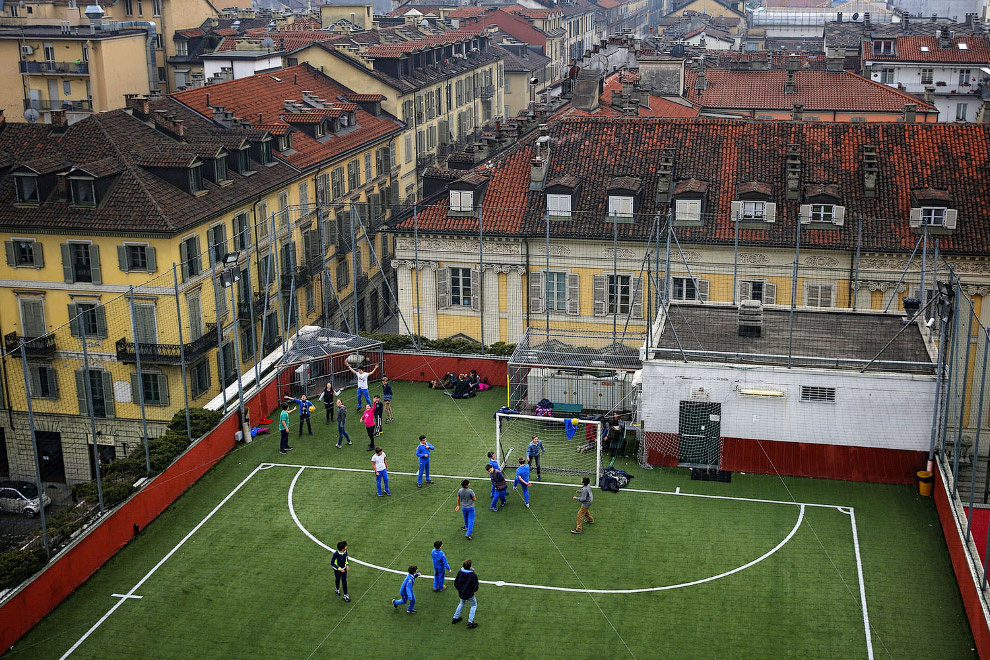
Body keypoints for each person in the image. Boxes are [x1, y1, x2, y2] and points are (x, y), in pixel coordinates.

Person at [451, 559, 479, 629]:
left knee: (462, 603)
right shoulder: (473, 575)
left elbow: (456, 583)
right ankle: (470, 621)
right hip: (469, 594)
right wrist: (473, 591)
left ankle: (455, 617)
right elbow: (475, 586)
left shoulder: (460, 573)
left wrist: (459, 590)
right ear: (470, 566)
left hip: (461, 593)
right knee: (473, 605)